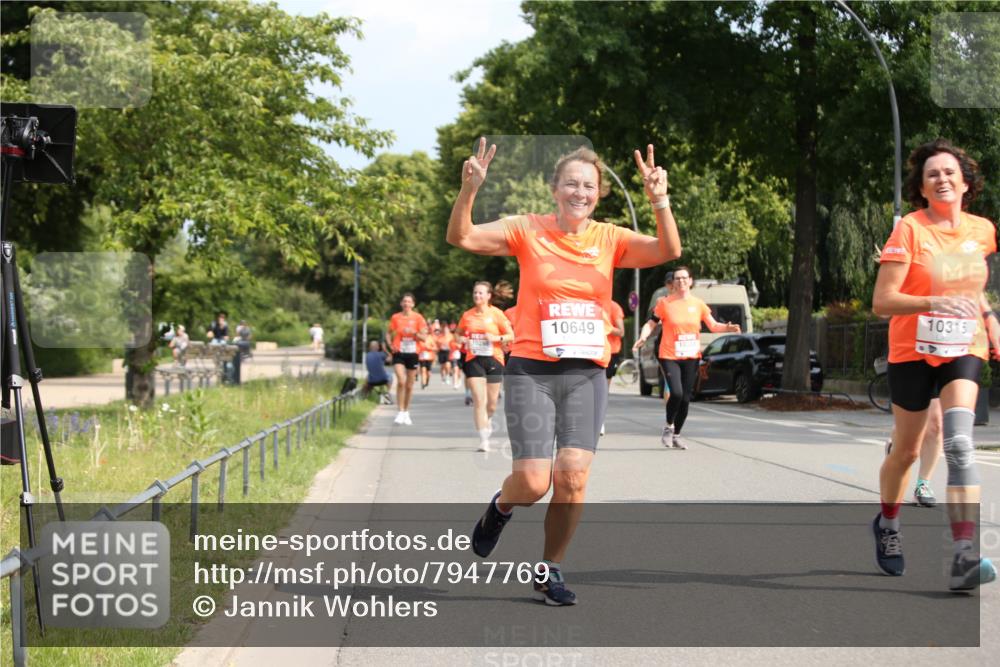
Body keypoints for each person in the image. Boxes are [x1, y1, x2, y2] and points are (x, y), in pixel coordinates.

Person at [448, 139, 681, 605]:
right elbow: (463, 237)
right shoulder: (526, 229)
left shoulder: (610, 238)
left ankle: (549, 569)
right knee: (534, 483)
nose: (581, 192)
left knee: (572, 476)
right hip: (532, 371)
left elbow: (667, 249)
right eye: (572, 184)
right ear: (555, 189)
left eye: (589, 186)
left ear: (599, 194)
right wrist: (469, 190)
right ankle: (501, 507)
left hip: (586, 375)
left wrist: (659, 200)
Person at [872, 138, 999, 591]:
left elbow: (974, 285)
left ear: (965, 183)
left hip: (964, 346)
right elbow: (882, 301)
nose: (942, 179)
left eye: (949, 172)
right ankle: (888, 522)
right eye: (932, 175)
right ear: (922, 188)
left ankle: (964, 556)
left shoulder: (983, 230)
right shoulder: (910, 229)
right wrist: (933, 302)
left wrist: (989, 316)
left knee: (959, 444)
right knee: (907, 452)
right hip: (912, 350)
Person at [633, 266, 739, 450]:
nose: (681, 281)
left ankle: (677, 434)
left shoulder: (698, 304)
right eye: (677, 278)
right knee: (676, 393)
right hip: (669, 355)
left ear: (690, 281)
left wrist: (727, 328)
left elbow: (713, 326)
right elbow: (651, 323)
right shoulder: (664, 303)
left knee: (685, 399)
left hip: (691, 356)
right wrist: (643, 336)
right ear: (673, 282)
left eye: (684, 278)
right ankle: (668, 427)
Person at [455, 281, 514, 452]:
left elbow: (511, 335)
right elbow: (457, 334)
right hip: (474, 359)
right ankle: (483, 440)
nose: (477, 296)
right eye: (475, 293)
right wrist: (462, 339)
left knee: (492, 404)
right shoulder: (467, 315)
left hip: (494, 359)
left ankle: (487, 420)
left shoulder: (497, 314)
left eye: (480, 293)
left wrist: (496, 338)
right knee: (479, 400)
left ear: (489, 296)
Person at [386, 293, 429, 425]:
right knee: (401, 381)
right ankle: (400, 411)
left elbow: (424, 338)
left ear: (413, 304)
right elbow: (388, 333)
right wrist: (390, 345)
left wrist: (414, 332)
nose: (406, 304)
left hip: (413, 353)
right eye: (404, 301)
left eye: (409, 302)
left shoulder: (418, 318)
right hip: (399, 352)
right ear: (401, 303)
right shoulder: (395, 317)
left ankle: (406, 411)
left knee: (409, 385)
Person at [601, 299, 626, 436]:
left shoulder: (614, 307)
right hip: (592, 350)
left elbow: (621, 332)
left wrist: (605, 327)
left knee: (603, 388)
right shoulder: (589, 304)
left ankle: (600, 421)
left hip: (611, 352)